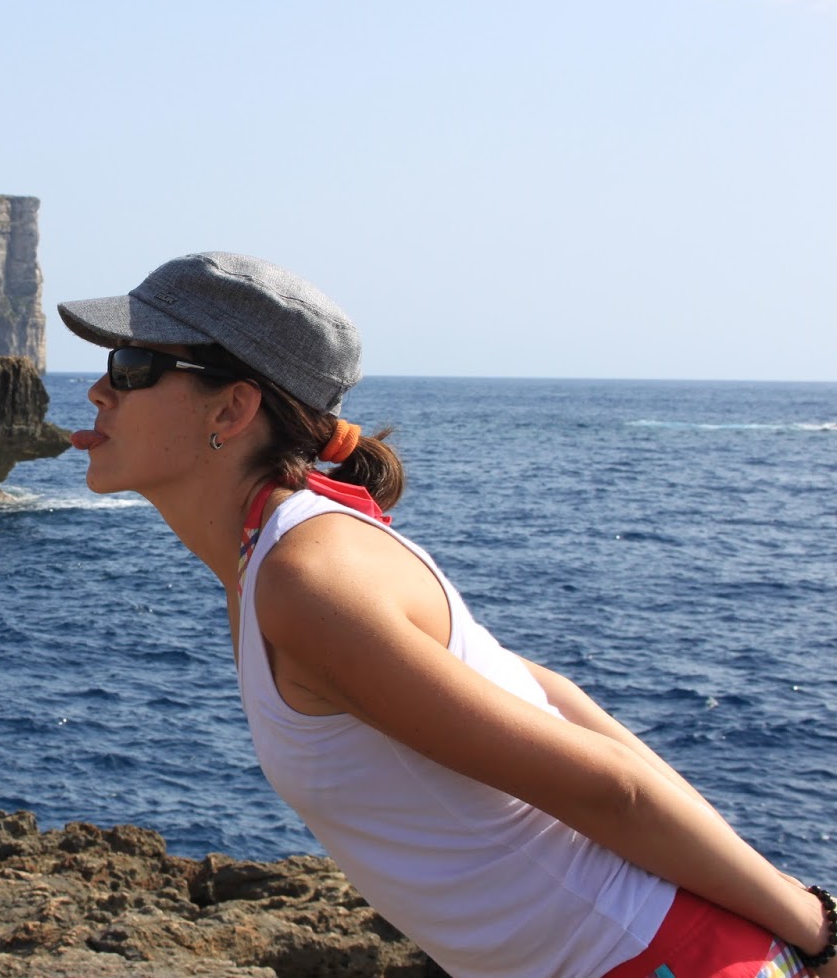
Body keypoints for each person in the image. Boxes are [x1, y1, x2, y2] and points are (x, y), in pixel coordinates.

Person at [58, 251, 834, 978]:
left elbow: (613, 791)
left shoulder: (306, 579)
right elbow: (553, 695)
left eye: (131, 368)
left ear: (231, 408)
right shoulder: (281, 554)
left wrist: (816, 925)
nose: (98, 391)